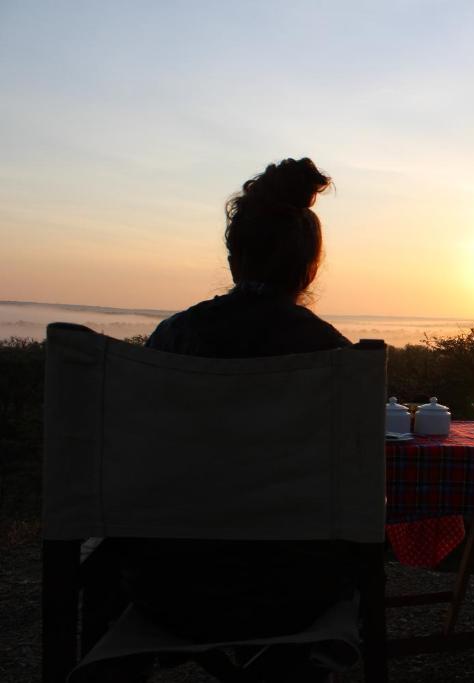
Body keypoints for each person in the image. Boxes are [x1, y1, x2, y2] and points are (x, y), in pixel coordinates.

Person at [107, 158, 356, 681]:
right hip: (295, 594)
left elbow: (130, 458)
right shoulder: (333, 357)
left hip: (167, 589)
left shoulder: (170, 342)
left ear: (234, 255)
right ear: (309, 264)